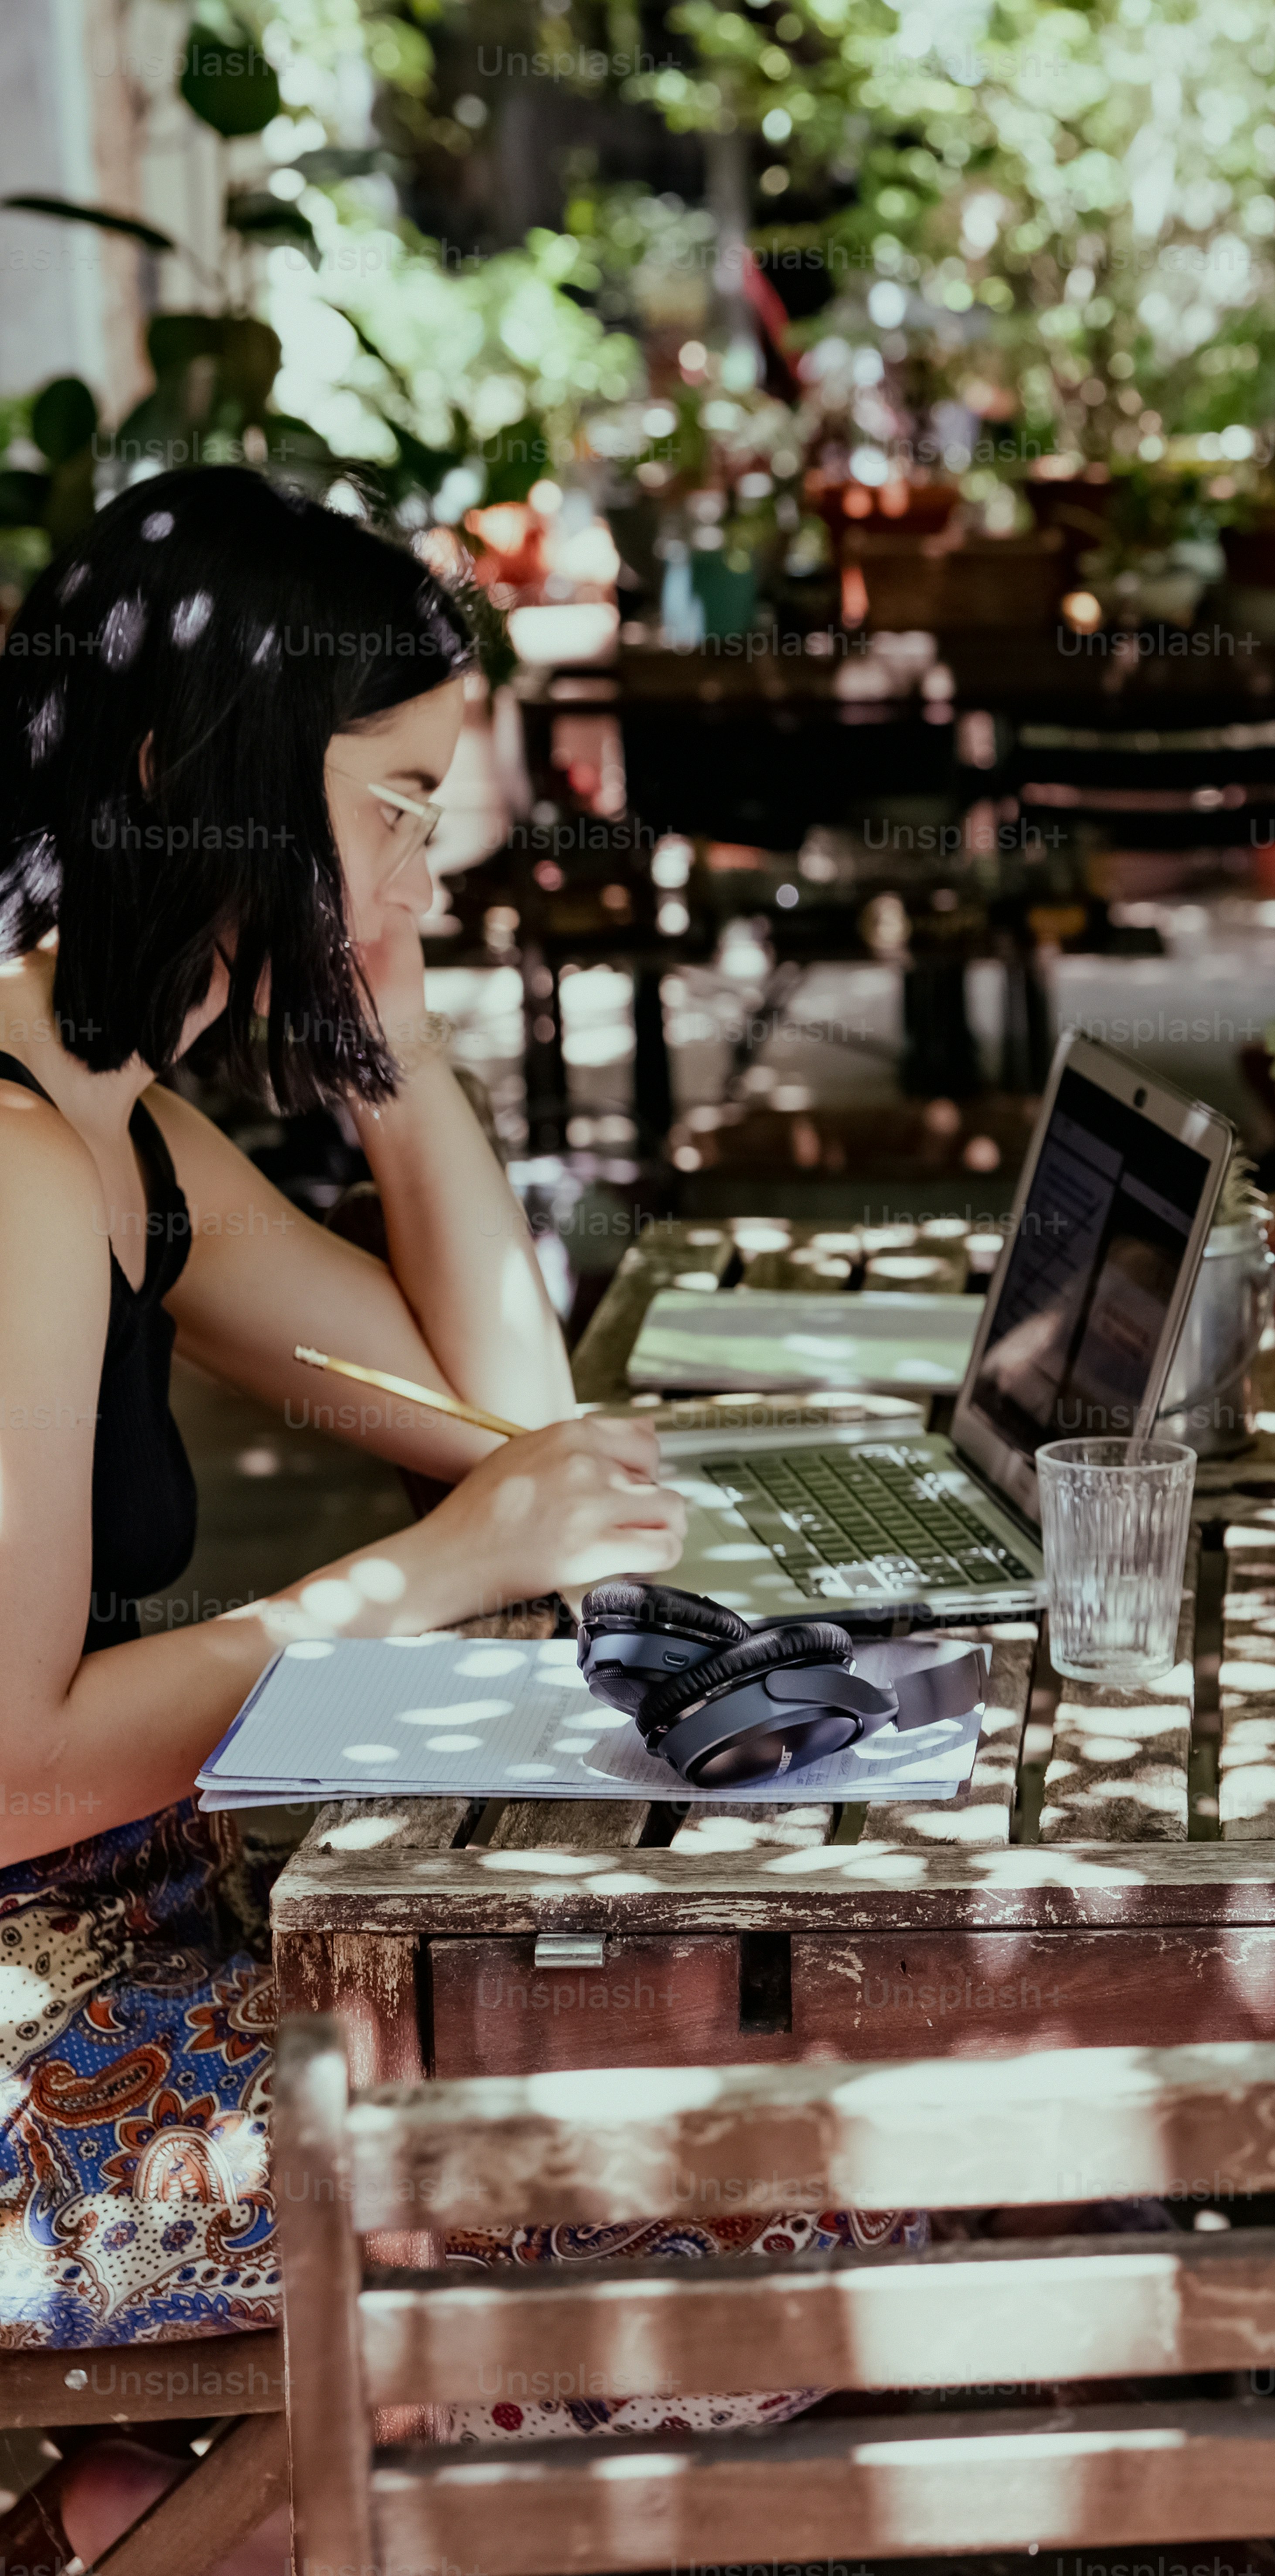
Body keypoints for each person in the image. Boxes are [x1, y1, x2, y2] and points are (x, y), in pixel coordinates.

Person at [0, 471, 884, 2562]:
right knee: (772, 2192)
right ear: (193, 773)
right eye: (396, 798)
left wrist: (379, 1025)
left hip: (149, 1979)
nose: (437, 851)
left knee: (769, 2126)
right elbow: (16, 1762)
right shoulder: (21, 1175)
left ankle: (162, 2510)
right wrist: (424, 1579)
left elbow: (510, 1432)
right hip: (43, 2082)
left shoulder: (121, 1133)